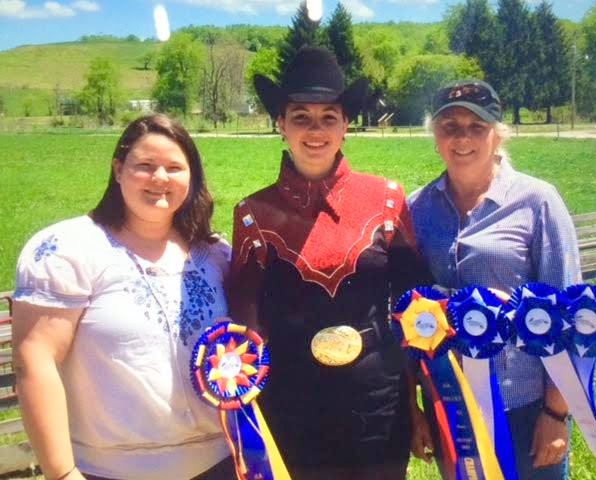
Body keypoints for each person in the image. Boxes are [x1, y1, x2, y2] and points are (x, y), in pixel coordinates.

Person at [229, 46, 425, 480]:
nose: (314, 130)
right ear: (281, 125)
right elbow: (244, 320)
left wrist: (418, 405)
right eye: (301, 117)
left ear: (346, 126)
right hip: (291, 406)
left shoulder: (387, 200)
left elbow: (417, 311)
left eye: (328, 117)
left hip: (378, 406)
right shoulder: (253, 215)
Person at [12, 114, 234, 480]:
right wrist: (62, 473)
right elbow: (34, 361)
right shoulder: (68, 250)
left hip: (222, 464)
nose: (160, 178)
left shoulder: (214, 255)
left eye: (174, 167)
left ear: (191, 177)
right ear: (118, 170)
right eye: (145, 166)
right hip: (108, 471)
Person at [408, 80, 581, 480]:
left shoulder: (538, 202)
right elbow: (408, 311)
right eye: (450, 126)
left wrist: (557, 412)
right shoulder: (417, 208)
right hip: (449, 405)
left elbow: (567, 310)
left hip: (523, 404)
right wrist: (415, 407)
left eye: (477, 126)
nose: (463, 138)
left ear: (498, 134)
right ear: (435, 136)